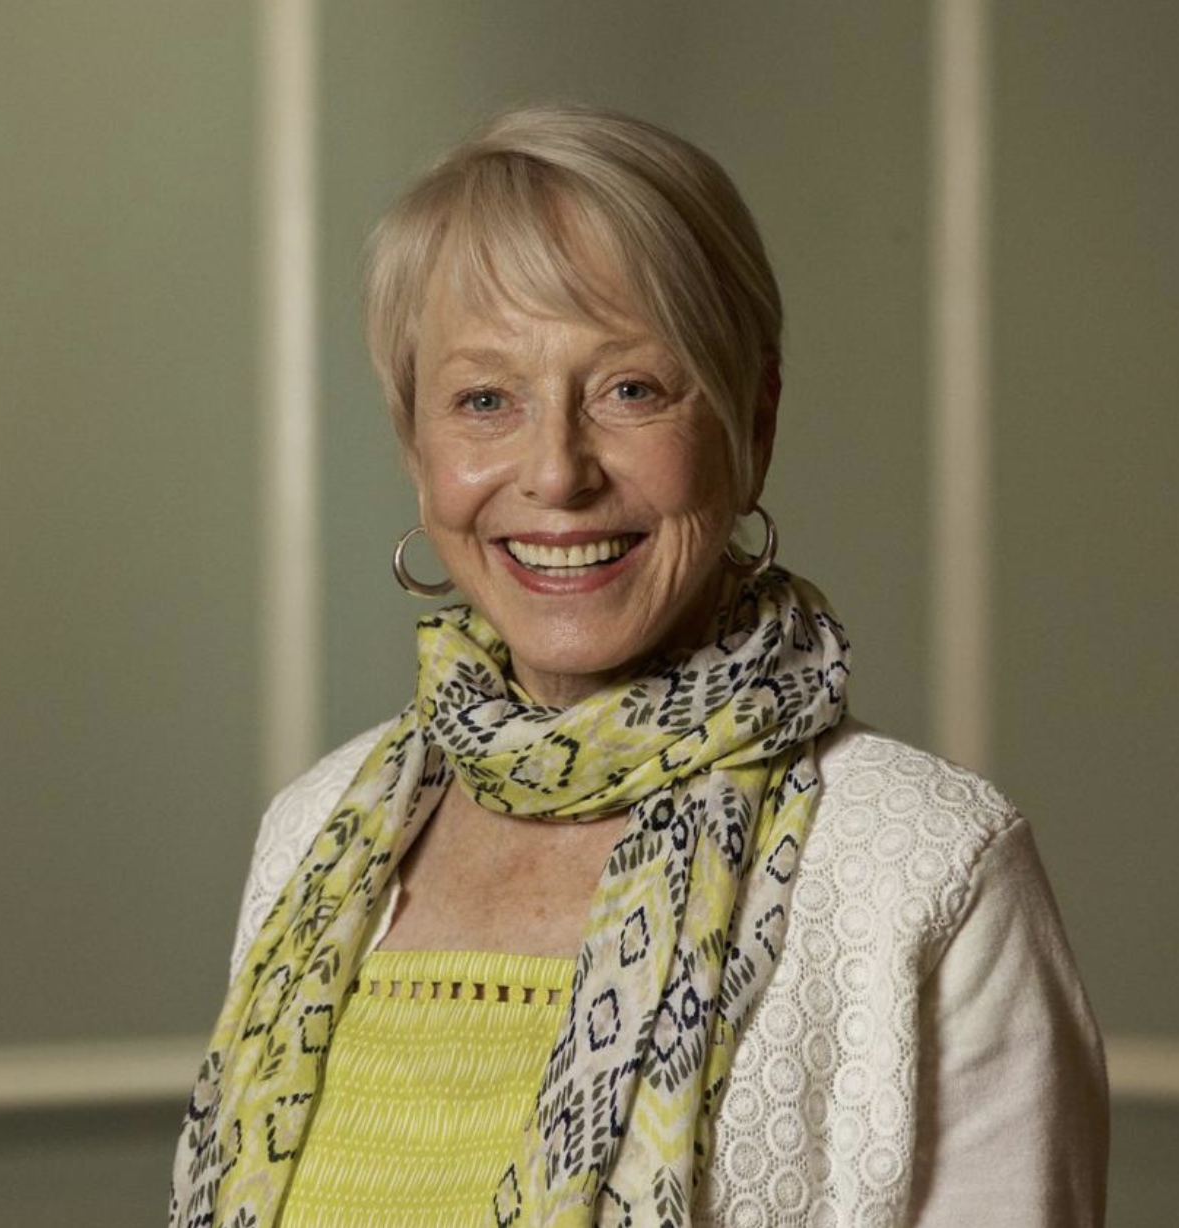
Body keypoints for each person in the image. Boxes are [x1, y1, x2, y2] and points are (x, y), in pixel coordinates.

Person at [169, 104, 1107, 1228]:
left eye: (629, 389)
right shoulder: (313, 831)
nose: (556, 473)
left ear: (751, 420)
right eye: (484, 400)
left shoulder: (927, 866)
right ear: (416, 447)